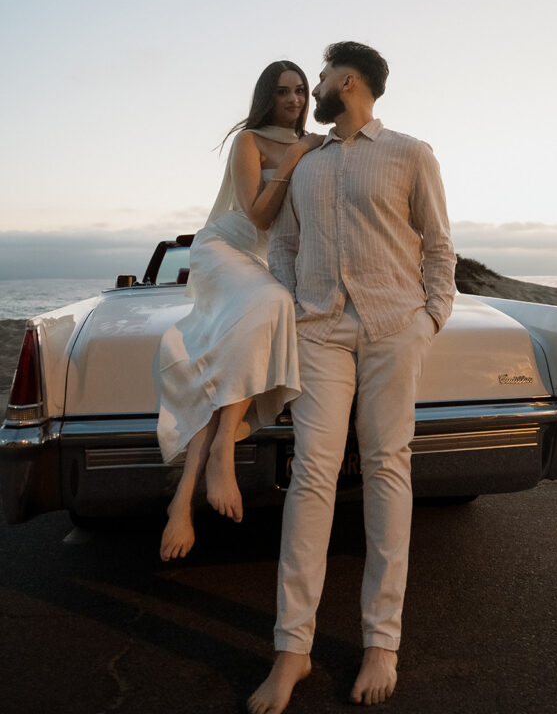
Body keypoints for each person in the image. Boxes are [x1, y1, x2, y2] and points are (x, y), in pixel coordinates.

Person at [248, 42, 456, 713]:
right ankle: (292, 650)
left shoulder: (410, 153)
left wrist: (428, 319)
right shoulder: (306, 161)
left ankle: (380, 643)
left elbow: (438, 243)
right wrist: (290, 304)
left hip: (393, 328)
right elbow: (281, 242)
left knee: (387, 467)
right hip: (320, 332)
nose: (311, 89)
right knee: (312, 474)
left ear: (347, 81)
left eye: (320, 77)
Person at [156, 61, 322, 562]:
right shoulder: (250, 141)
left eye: (300, 90)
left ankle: (181, 501)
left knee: (237, 345)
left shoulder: (317, 143)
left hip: (270, 258)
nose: (294, 99)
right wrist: (293, 160)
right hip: (226, 248)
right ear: (266, 98)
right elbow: (256, 214)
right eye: (282, 92)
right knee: (271, 302)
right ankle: (224, 448)